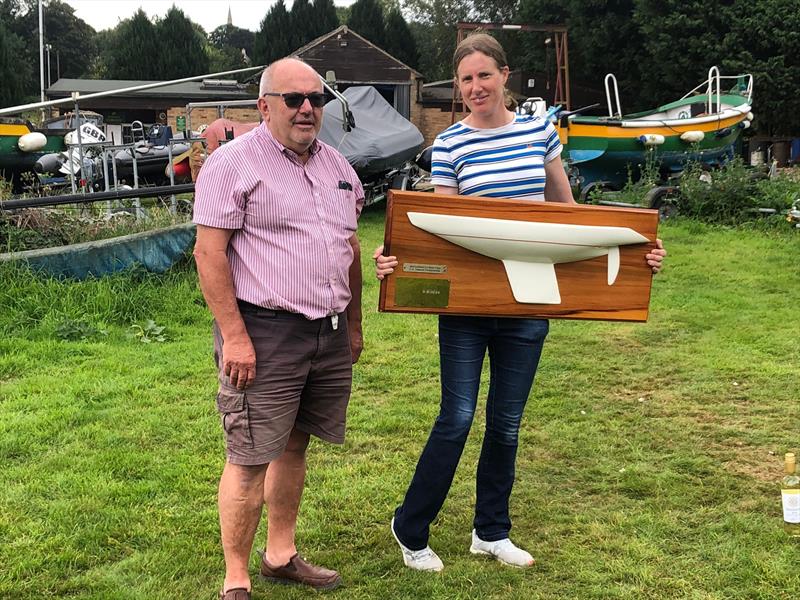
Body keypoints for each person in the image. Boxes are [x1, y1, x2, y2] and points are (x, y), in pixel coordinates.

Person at [374, 33, 666, 572]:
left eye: (484, 75)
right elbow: (443, 233)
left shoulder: (539, 132)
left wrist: (636, 255)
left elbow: (570, 216)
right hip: (467, 309)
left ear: (506, 75)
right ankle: (410, 525)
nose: (475, 87)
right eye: (466, 79)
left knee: (506, 422)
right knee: (457, 418)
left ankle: (491, 530)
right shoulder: (452, 144)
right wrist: (397, 258)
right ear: (458, 87)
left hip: (529, 303)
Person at [193, 58, 365, 600]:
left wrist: (354, 327)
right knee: (248, 455)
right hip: (263, 333)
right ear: (264, 106)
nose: (308, 108)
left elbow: (350, 249)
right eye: (294, 99)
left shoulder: (339, 166)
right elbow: (209, 253)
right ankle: (236, 578)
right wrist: (236, 336)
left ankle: (281, 554)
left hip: (327, 332)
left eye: (317, 98)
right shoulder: (232, 165)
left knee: (295, 444)